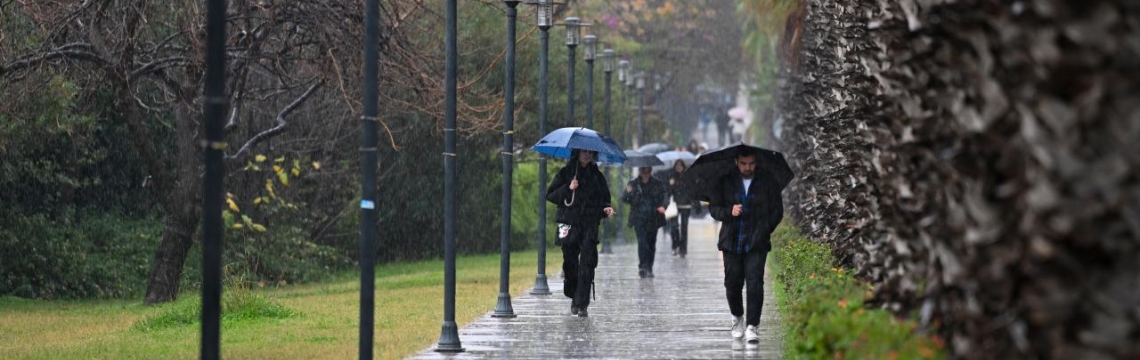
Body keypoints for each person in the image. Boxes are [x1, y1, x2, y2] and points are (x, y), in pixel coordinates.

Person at [706, 148, 784, 344]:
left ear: (756, 162)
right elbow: (714, 208)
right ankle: (737, 316)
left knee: (755, 283)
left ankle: (752, 326)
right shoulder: (725, 180)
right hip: (731, 240)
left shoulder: (767, 180)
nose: (748, 167)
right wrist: (728, 211)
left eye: (751, 163)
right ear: (736, 162)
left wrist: (765, 227)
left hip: (757, 242)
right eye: (743, 163)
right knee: (732, 283)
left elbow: (777, 210)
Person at [546, 149, 615, 318]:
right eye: (584, 151)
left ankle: (582, 302)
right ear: (577, 152)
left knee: (587, 263)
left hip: (589, 224)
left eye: (590, 152)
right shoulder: (565, 172)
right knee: (570, 262)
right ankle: (574, 294)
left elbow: (605, 200)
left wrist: (606, 209)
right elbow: (551, 195)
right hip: (568, 223)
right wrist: (568, 188)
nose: (587, 155)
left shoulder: (597, 176)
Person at [622, 166, 668, 278]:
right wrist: (628, 192)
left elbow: (665, 196)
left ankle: (649, 267)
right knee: (642, 242)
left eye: (648, 170)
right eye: (644, 170)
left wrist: (663, 206)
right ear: (640, 171)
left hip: (653, 217)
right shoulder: (633, 183)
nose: (646, 173)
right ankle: (643, 266)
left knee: (651, 243)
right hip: (639, 217)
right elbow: (625, 199)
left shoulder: (658, 183)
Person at [659, 160, 694, 258]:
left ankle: (683, 250)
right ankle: (675, 245)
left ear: (683, 166)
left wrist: (695, 203)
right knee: (674, 227)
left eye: (680, 165)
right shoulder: (672, 177)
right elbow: (667, 192)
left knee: (684, 228)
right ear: (674, 167)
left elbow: (693, 190)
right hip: (674, 206)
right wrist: (671, 185)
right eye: (677, 165)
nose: (679, 167)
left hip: (686, 205)